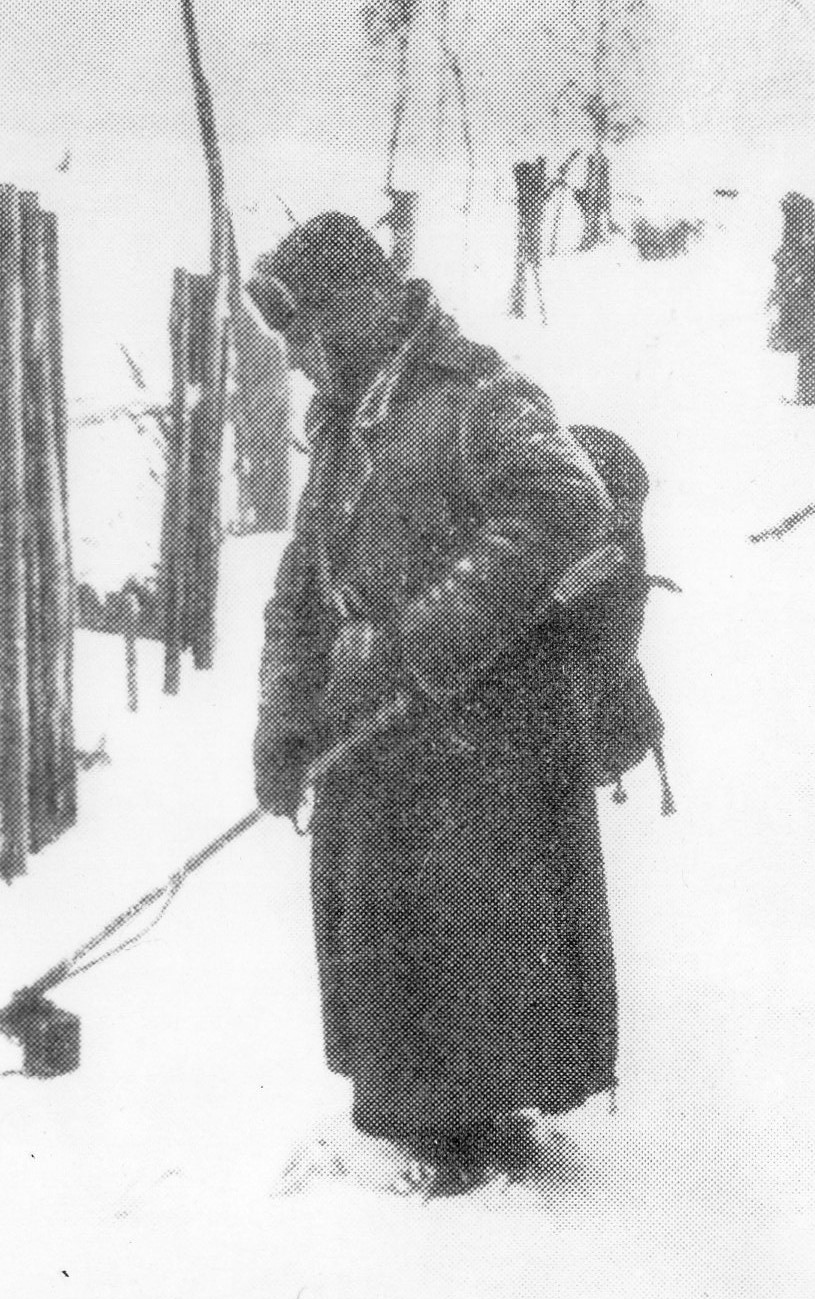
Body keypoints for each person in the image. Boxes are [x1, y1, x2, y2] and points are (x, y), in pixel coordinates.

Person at [245, 213, 625, 1195]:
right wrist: (283, 724)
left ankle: (464, 1155)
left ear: (351, 311)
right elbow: (304, 578)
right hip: (377, 721)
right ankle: (419, 1129)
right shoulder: (343, 417)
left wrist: (426, 643)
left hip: (481, 732)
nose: (292, 362)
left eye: (300, 337)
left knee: (465, 939)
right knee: (383, 934)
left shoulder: (479, 395)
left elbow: (568, 506)